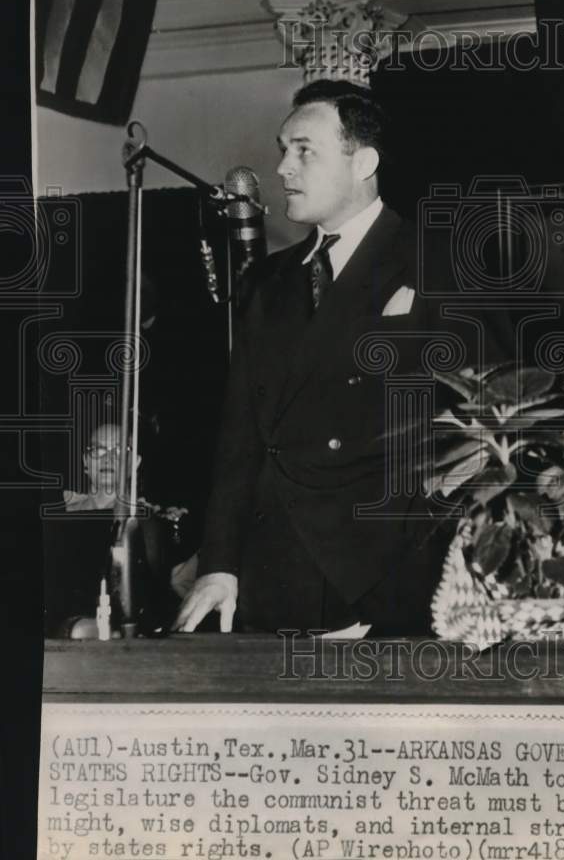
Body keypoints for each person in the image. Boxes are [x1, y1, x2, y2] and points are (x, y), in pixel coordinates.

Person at [175, 80, 509, 636]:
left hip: (385, 581)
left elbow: (494, 428)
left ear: (364, 163)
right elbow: (239, 444)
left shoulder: (440, 267)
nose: (283, 167)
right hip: (270, 578)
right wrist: (220, 565)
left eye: (304, 150)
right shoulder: (266, 283)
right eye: (283, 149)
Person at [44, 421, 187, 636]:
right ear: (85, 461)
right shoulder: (59, 514)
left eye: (120, 450)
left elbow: (175, 585)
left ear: (135, 462)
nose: (108, 458)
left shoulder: (148, 521)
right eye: (98, 450)